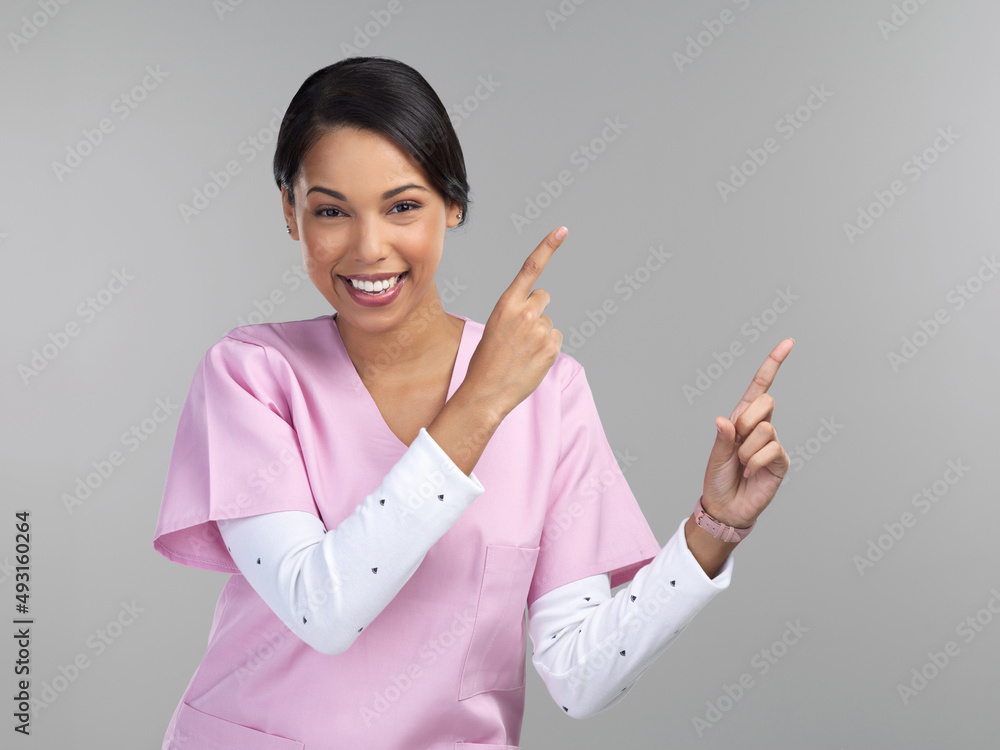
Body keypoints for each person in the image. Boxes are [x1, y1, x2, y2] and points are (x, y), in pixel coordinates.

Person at [152, 56, 794, 749]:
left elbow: (579, 677)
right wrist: (480, 402)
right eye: (331, 211)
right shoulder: (251, 377)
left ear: (452, 204)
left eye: (403, 206)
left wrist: (713, 529)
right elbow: (324, 608)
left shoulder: (550, 392)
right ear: (290, 212)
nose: (370, 249)